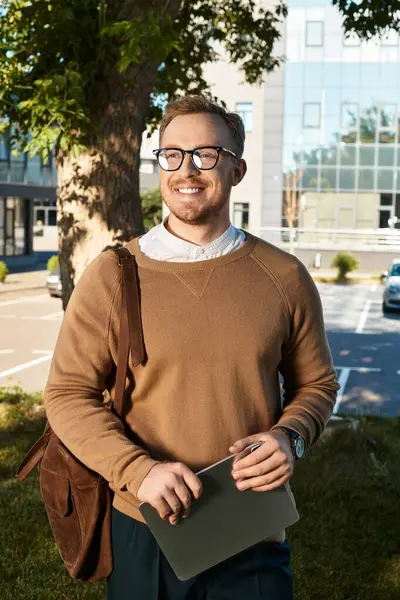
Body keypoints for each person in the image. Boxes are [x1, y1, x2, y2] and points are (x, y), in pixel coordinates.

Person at [43, 94, 339, 600]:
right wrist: (139, 472)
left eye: (206, 154)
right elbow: (67, 394)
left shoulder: (284, 276)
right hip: (145, 521)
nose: (187, 169)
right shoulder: (113, 275)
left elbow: (317, 384)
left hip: (252, 522)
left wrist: (291, 437)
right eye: (172, 154)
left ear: (237, 169)